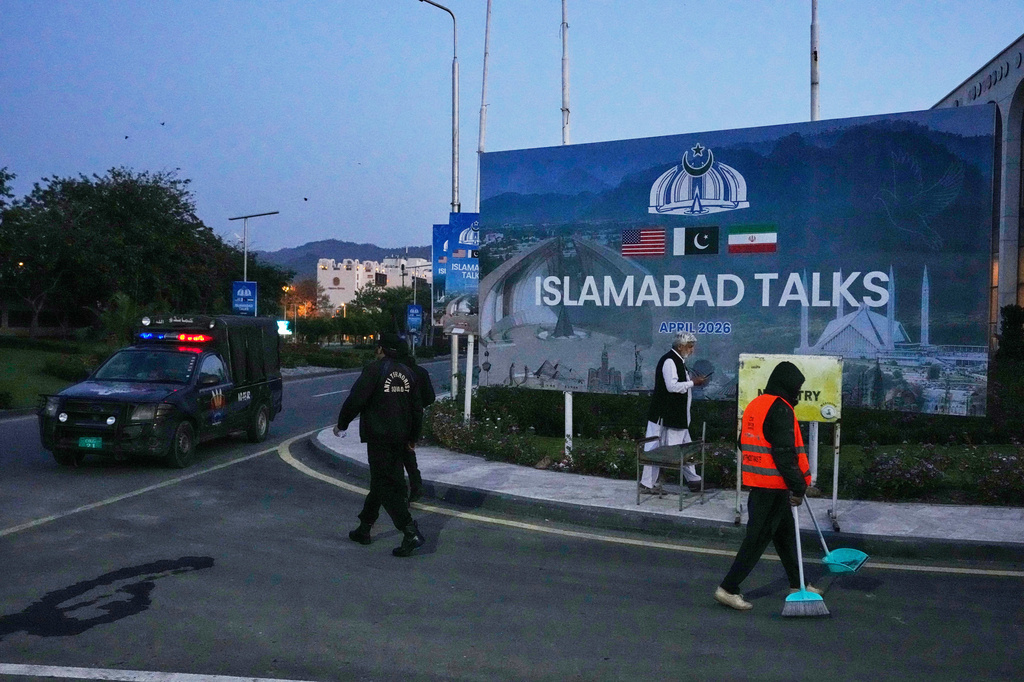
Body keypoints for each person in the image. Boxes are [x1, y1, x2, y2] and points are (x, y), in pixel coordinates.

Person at [714, 361, 821, 610]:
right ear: (787, 386)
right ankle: (728, 588)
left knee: (785, 537)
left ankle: (799, 583)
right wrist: (798, 488)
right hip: (773, 485)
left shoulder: (756, 404)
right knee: (757, 539)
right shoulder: (782, 409)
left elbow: (743, 442)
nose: (797, 393)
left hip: (760, 482)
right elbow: (784, 453)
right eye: (797, 388)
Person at [334, 333, 425, 557]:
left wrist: (342, 425)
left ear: (382, 349)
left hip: (379, 436)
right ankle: (364, 528)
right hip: (401, 437)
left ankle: (409, 530)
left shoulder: (375, 370)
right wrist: (413, 437)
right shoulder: (408, 373)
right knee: (381, 481)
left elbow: (356, 399)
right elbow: (417, 409)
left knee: (385, 486)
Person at [641, 331, 708, 494]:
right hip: (665, 415)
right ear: (680, 346)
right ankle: (647, 483)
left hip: (676, 415)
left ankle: (693, 480)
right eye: (690, 347)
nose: (692, 350)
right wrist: (693, 383)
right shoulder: (670, 361)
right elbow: (672, 386)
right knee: (658, 448)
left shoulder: (678, 361)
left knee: (682, 447)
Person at [397, 341, 436, 503]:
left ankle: (401, 491)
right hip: (414, 417)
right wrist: (418, 406)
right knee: (408, 452)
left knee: (395, 456)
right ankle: (416, 484)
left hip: (397, 417)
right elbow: (430, 397)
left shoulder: (396, 373)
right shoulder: (421, 372)